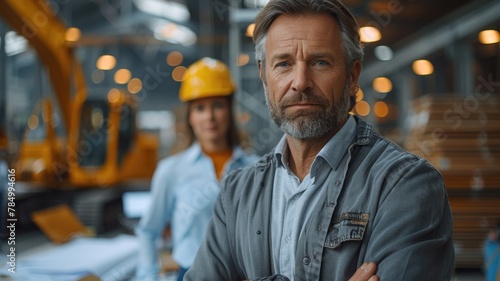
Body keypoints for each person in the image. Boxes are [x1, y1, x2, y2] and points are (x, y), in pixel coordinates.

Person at [185, 0, 455, 280]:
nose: (300, 81)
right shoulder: (237, 192)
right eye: (284, 64)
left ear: (352, 77)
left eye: (320, 62)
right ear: (264, 76)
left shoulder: (405, 186)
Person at [134, 57, 259, 281]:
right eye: (200, 108)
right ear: (190, 116)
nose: (209, 117)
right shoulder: (171, 171)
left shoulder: (255, 168)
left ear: (229, 111)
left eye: (218, 106)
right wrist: (148, 276)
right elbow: (148, 231)